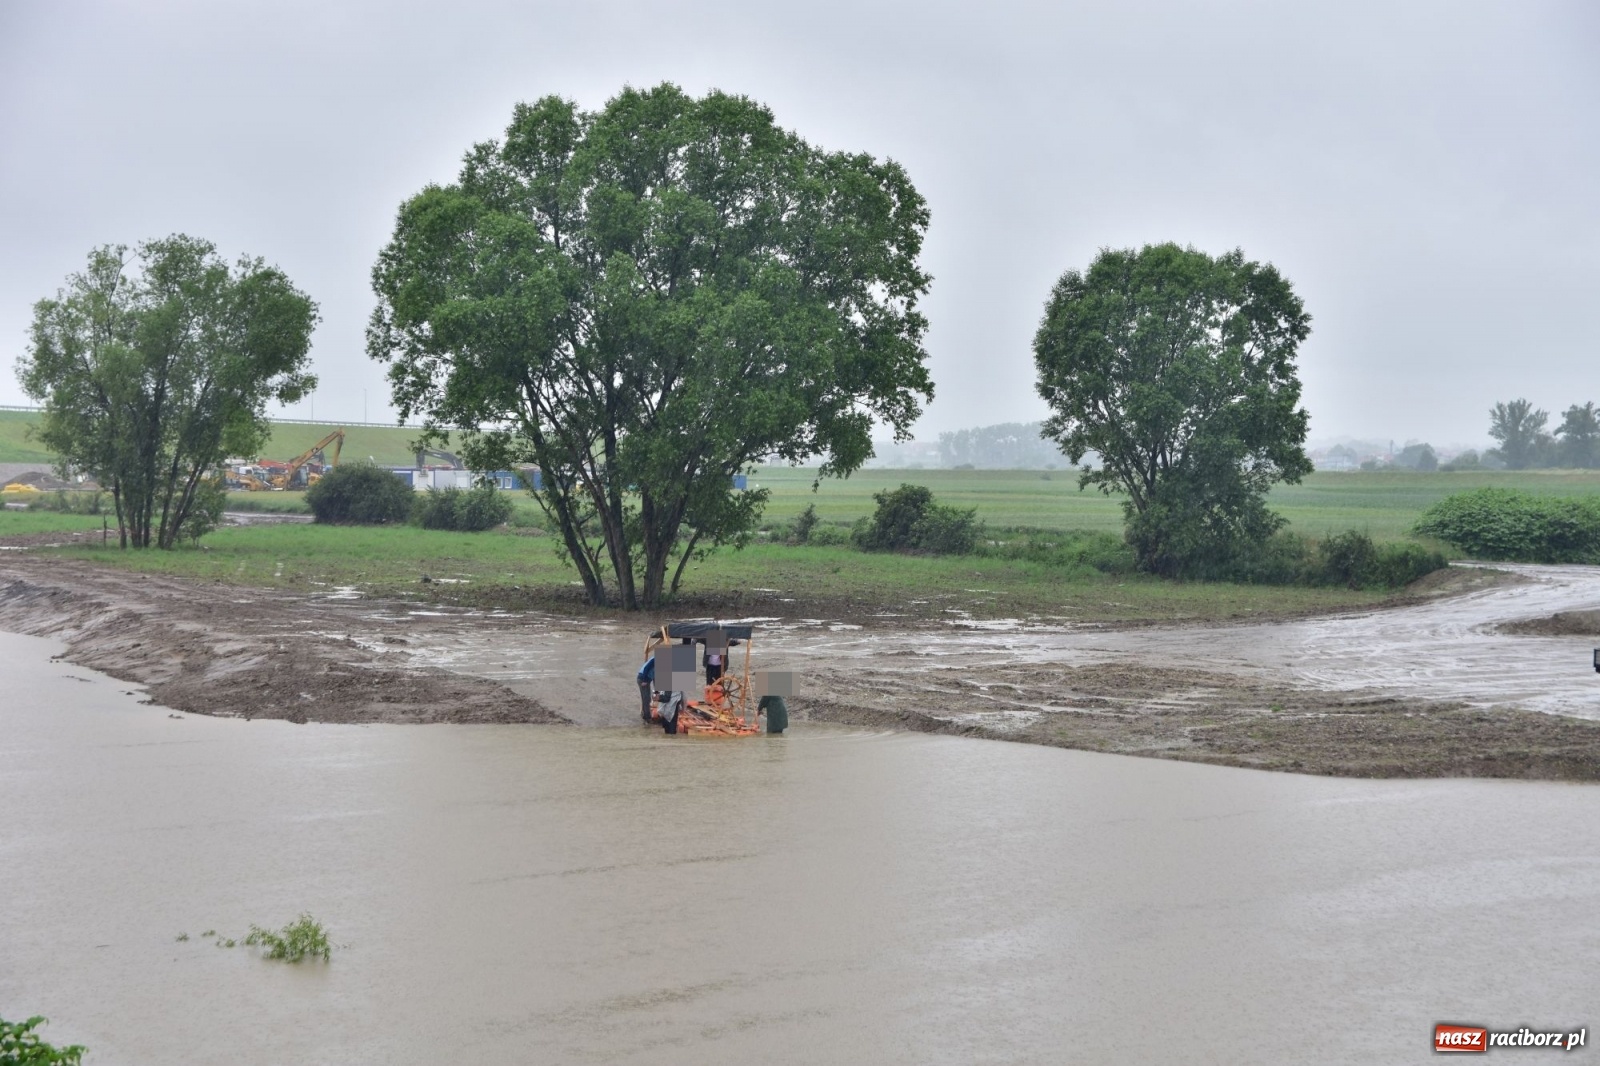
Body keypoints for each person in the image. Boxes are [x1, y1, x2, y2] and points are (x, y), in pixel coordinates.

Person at [636, 655, 655, 723]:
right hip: (642, 679)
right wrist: (644, 680)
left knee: (646, 698)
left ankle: (645, 715)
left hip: (646, 679)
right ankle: (647, 718)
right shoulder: (656, 659)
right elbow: (647, 668)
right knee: (646, 698)